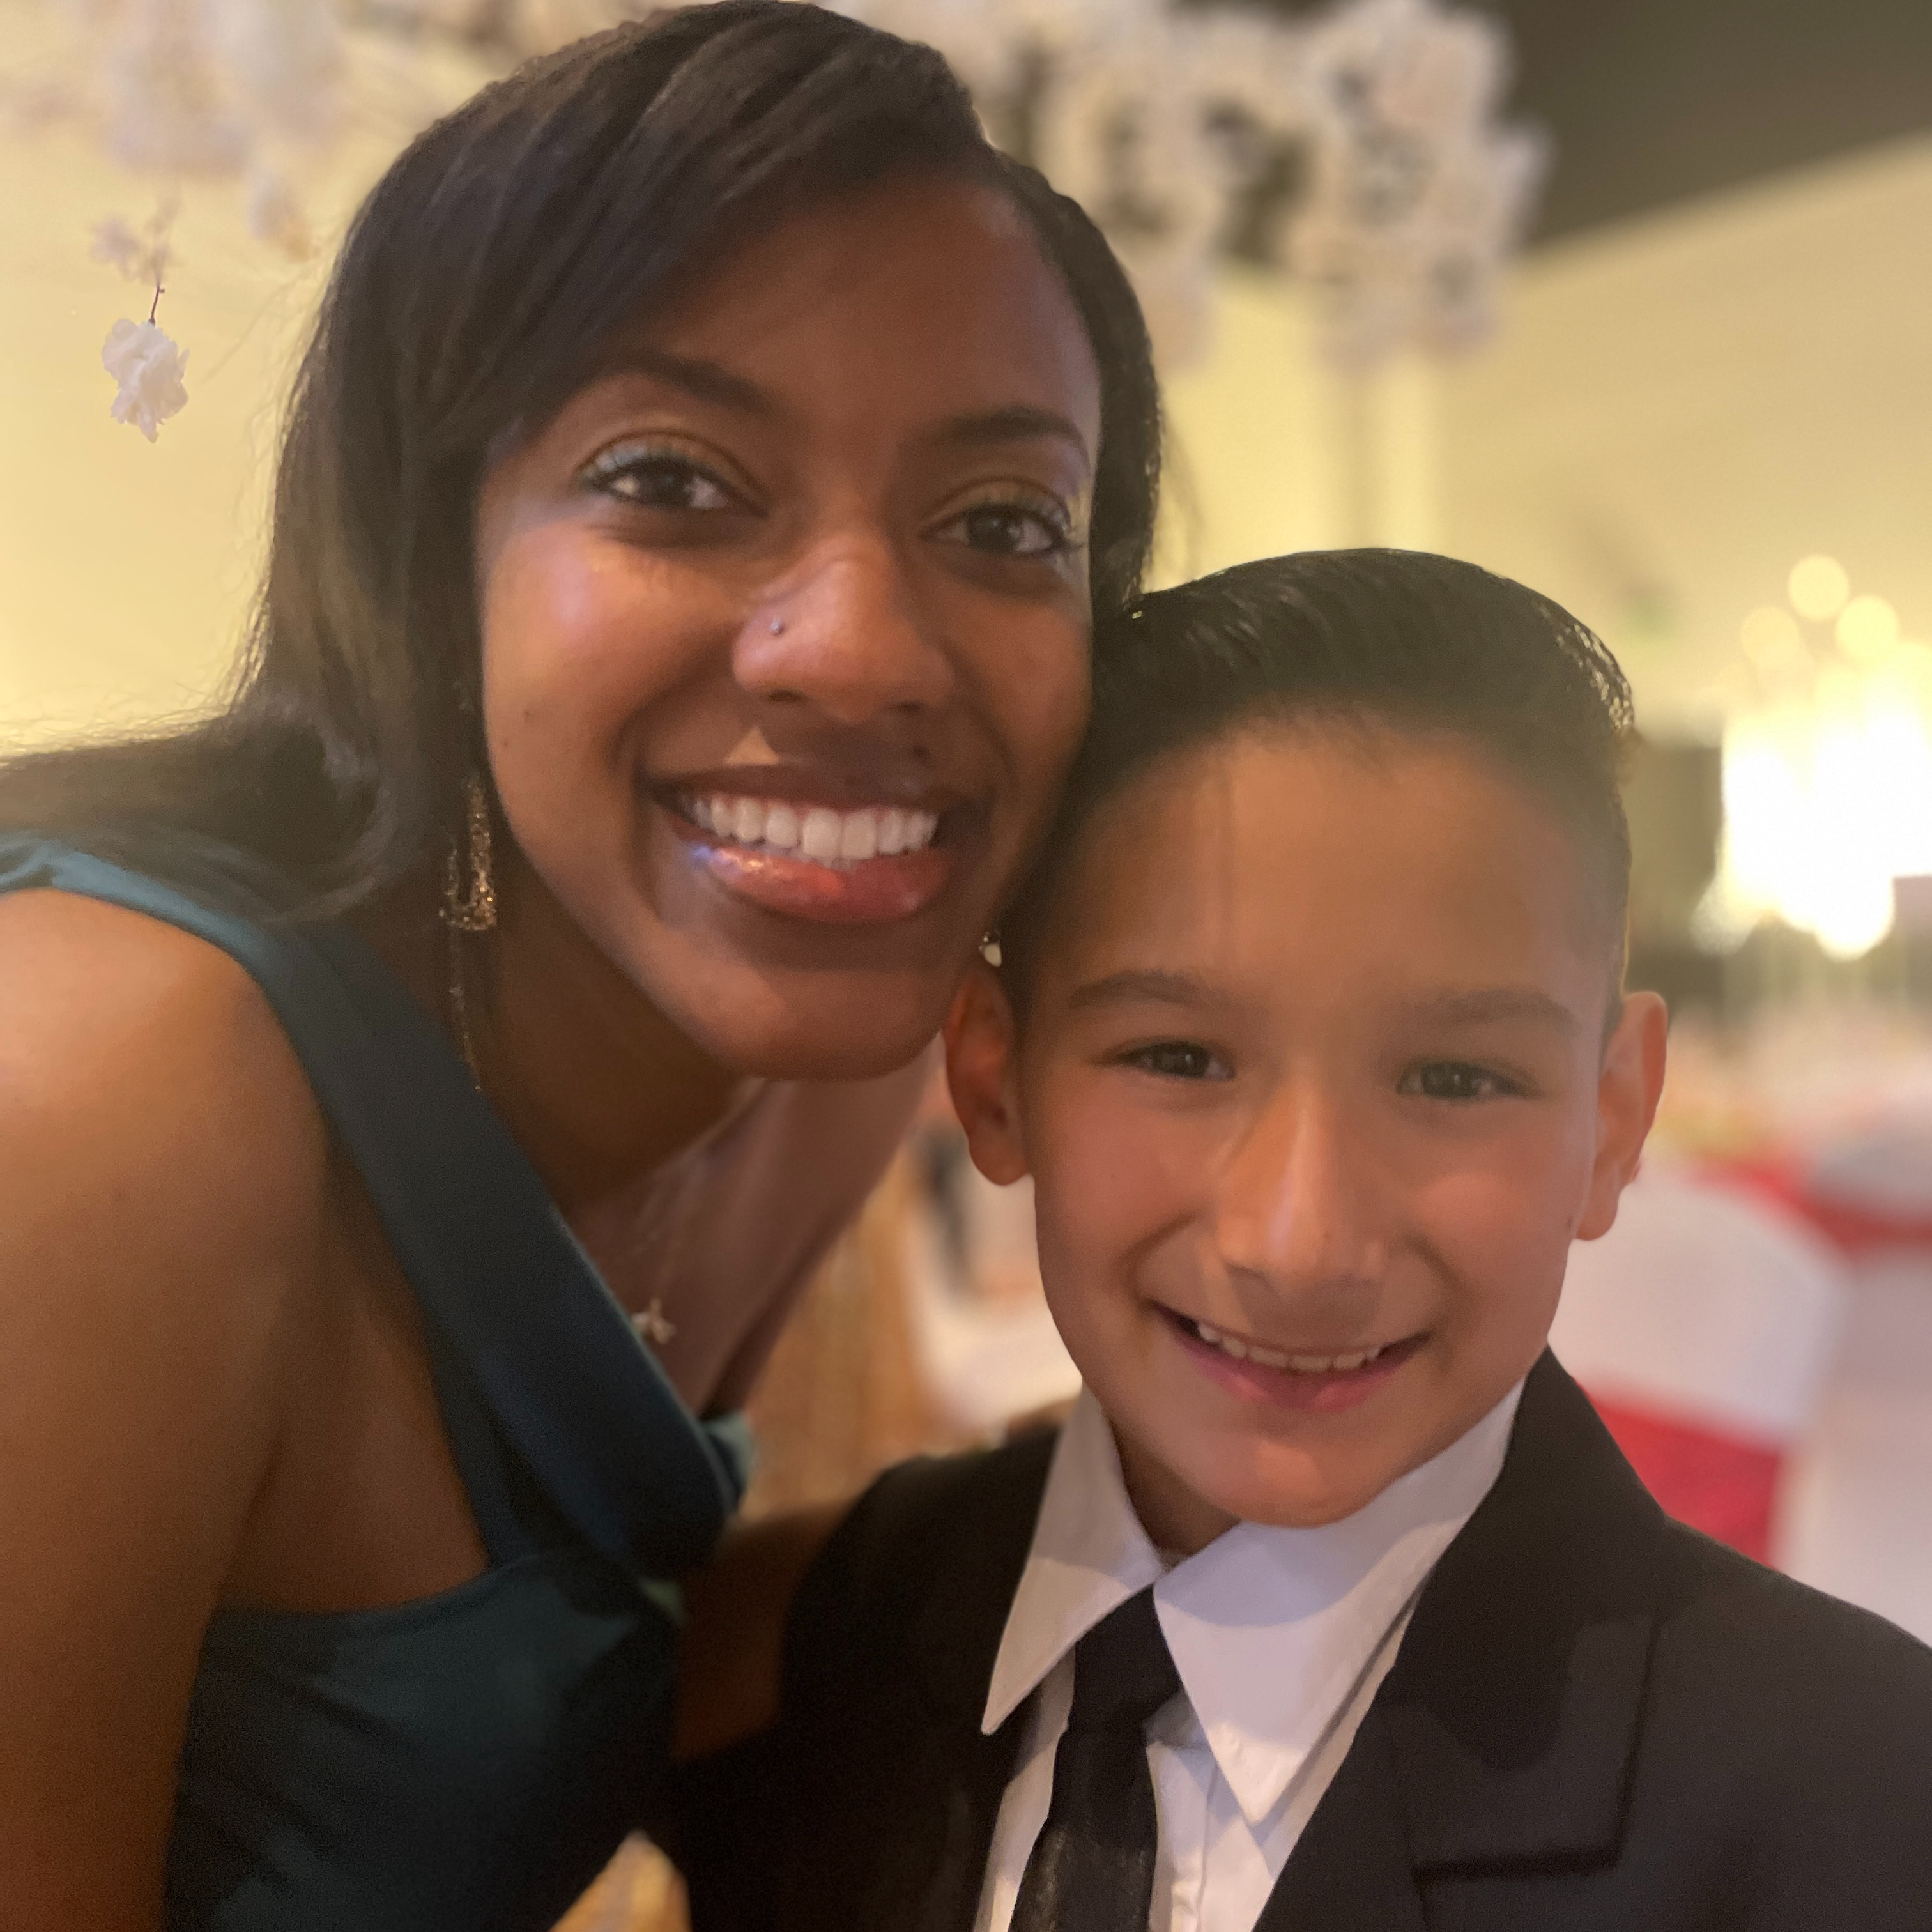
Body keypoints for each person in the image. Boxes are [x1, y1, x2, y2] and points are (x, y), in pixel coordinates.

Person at [0, 6, 1162, 1928]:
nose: (860, 650)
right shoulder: (104, 1086)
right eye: (675, 482)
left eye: (1002, 521)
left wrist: (1149, 1511)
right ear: (426, 551)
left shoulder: (824, 1062)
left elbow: (576, 1666)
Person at [673, 551, 1932, 1931]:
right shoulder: (829, 1635)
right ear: (994, 1078)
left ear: (1614, 1116)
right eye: (1177, 1055)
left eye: (1456, 1079)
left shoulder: (1855, 1802)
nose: (1303, 1238)